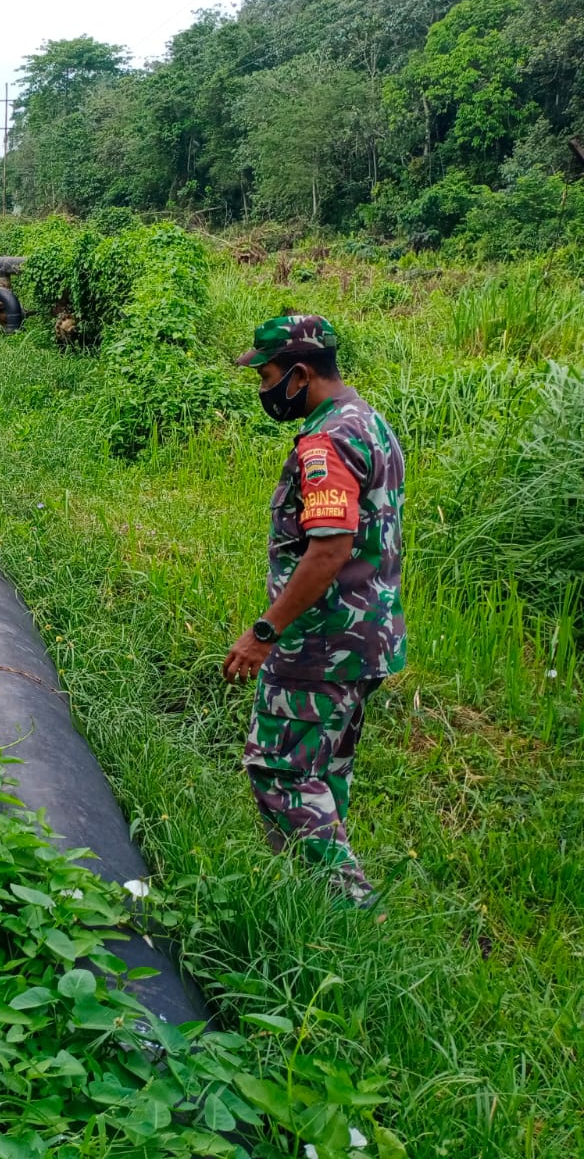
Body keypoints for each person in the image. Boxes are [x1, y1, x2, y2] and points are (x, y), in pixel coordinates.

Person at [222, 315, 405, 906]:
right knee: (324, 771)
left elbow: (328, 550)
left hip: (321, 643)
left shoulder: (325, 441)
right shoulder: (370, 421)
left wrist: (265, 632)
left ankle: (350, 907)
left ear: (300, 375)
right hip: (368, 638)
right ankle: (310, 907)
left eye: (269, 376)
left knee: (281, 771)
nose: (264, 390)